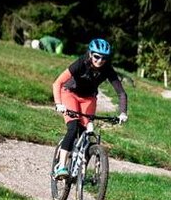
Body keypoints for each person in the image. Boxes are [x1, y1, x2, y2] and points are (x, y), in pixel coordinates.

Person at [51, 38, 129, 179]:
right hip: (70, 93)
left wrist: (123, 112)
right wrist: (58, 103)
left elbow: (121, 93)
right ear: (90, 54)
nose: (99, 60)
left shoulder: (107, 69)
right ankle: (61, 166)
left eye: (104, 58)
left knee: (87, 131)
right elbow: (57, 83)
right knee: (73, 127)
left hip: (89, 98)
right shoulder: (81, 63)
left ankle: (78, 169)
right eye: (96, 56)